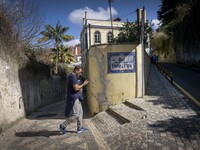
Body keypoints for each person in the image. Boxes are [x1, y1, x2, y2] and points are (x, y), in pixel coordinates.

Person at [58, 65, 89, 134]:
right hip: (74, 98)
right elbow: (76, 88)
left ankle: (79, 127)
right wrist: (83, 84)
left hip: (76, 96)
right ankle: (62, 125)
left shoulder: (72, 76)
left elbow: (76, 87)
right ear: (76, 70)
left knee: (80, 112)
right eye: (80, 72)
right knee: (75, 114)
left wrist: (79, 88)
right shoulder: (73, 77)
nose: (80, 74)